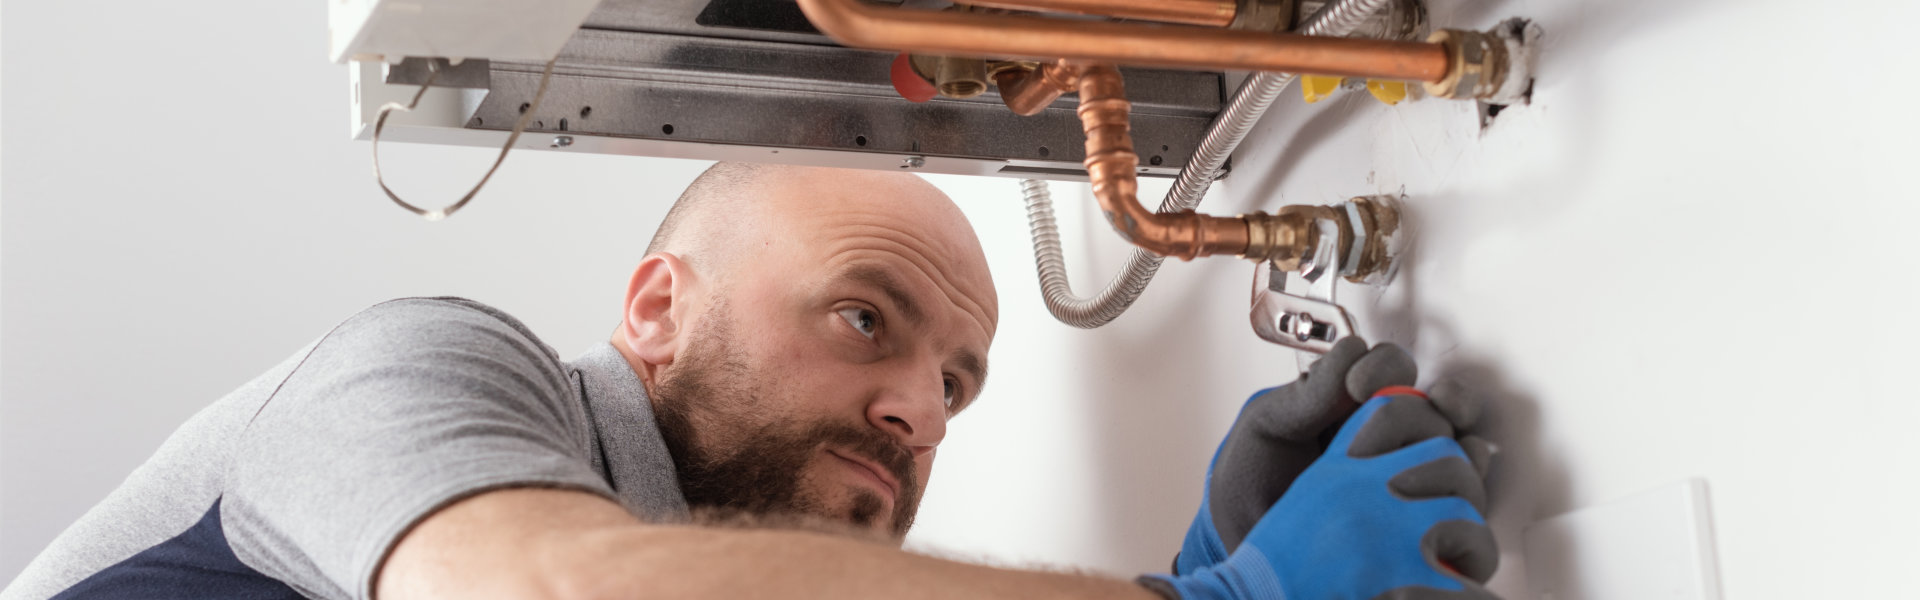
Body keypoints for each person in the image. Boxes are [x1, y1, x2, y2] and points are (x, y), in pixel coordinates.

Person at [4, 163, 1498, 600]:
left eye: (958, 384)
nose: (921, 409)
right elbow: (552, 598)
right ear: (658, 308)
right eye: (865, 319)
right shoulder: (422, 370)